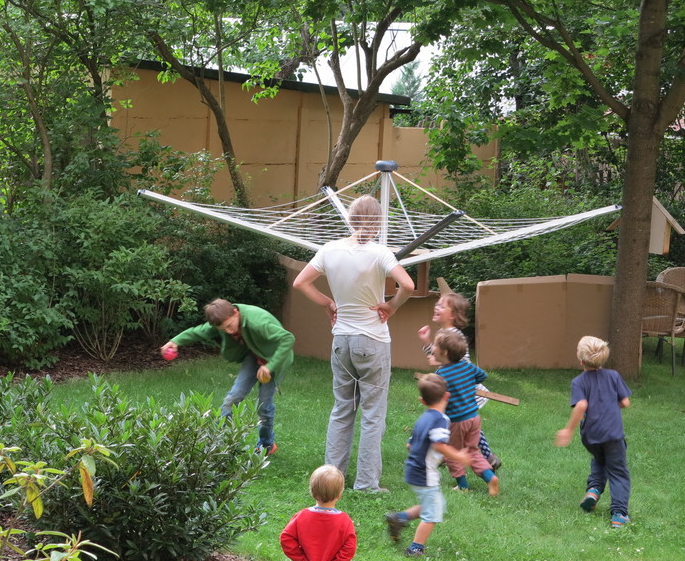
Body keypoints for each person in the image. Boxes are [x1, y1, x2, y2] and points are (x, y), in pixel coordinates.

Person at [292, 195, 415, 492]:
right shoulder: (380, 253)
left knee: (342, 409)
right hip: (372, 341)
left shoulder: (329, 250)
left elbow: (300, 282)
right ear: (378, 222)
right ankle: (366, 484)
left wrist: (327, 303)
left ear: (350, 219)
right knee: (373, 414)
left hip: (341, 342)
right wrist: (392, 306)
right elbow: (408, 285)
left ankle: (331, 480)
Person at [161, 298, 294, 454]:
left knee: (263, 406)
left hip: (274, 360)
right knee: (231, 399)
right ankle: (223, 444)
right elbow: (199, 331)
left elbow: (288, 338)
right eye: (224, 329)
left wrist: (270, 366)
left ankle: (266, 445)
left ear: (236, 313)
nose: (229, 331)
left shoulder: (257, 322)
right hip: (254, 356)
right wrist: (175, 341)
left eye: (230, 326)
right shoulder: (224, 321)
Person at [385, 373, 471, 557]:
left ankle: (399, 519)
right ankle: (416, 548)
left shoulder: (423, 419)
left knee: (432, 504)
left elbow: (410, 445)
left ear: (422, 401)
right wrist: (459, 456)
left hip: (413, 470)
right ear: (447, 396)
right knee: (432, 514)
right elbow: (439, 444)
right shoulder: (441, 420)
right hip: (425, 474)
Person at [417, 291, 502, 471]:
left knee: (465, 423)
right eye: (437, 304)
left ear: (453, 315)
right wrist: (427, 343)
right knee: (454, 422)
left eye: (441, 305)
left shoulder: (455, 335)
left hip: (464, 390)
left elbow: (458, 363)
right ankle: (444, 454)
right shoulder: (445, 332)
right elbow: (441, 355)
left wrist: (438, 363)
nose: (436, 307)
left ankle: (488, 457)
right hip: (455, 389)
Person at [554, 336, 632, 527]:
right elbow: (625, 402)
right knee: (618, 471)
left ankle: (594, 490)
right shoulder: (613, 376)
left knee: (600, 459)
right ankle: (619, 514)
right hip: (613, 434)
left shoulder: (579, 382)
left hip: (591, 436)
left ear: (581, 361)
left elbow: (581, 404)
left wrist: (569, 430)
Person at [431, 329, 500, 496]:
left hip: (457, 421)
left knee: (452, 453)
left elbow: (436, 394)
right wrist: (467, 381)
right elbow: (482, 375)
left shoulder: (441, 374)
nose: (432, 348)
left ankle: (462, 485)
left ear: (444, 352)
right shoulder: (468, 367)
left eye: (435, 345)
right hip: (474, 417)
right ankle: (490, 477)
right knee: (472, 450)